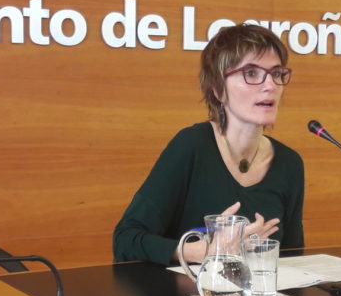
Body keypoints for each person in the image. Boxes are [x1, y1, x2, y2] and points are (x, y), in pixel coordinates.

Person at [112, 23, 305, 265]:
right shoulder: (191, 146)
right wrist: (204, 251)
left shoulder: (289, 163)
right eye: (252, 73)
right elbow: (126, 240)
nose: (270, 85)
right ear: (217, 90)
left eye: (277, 73)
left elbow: (293, 258)